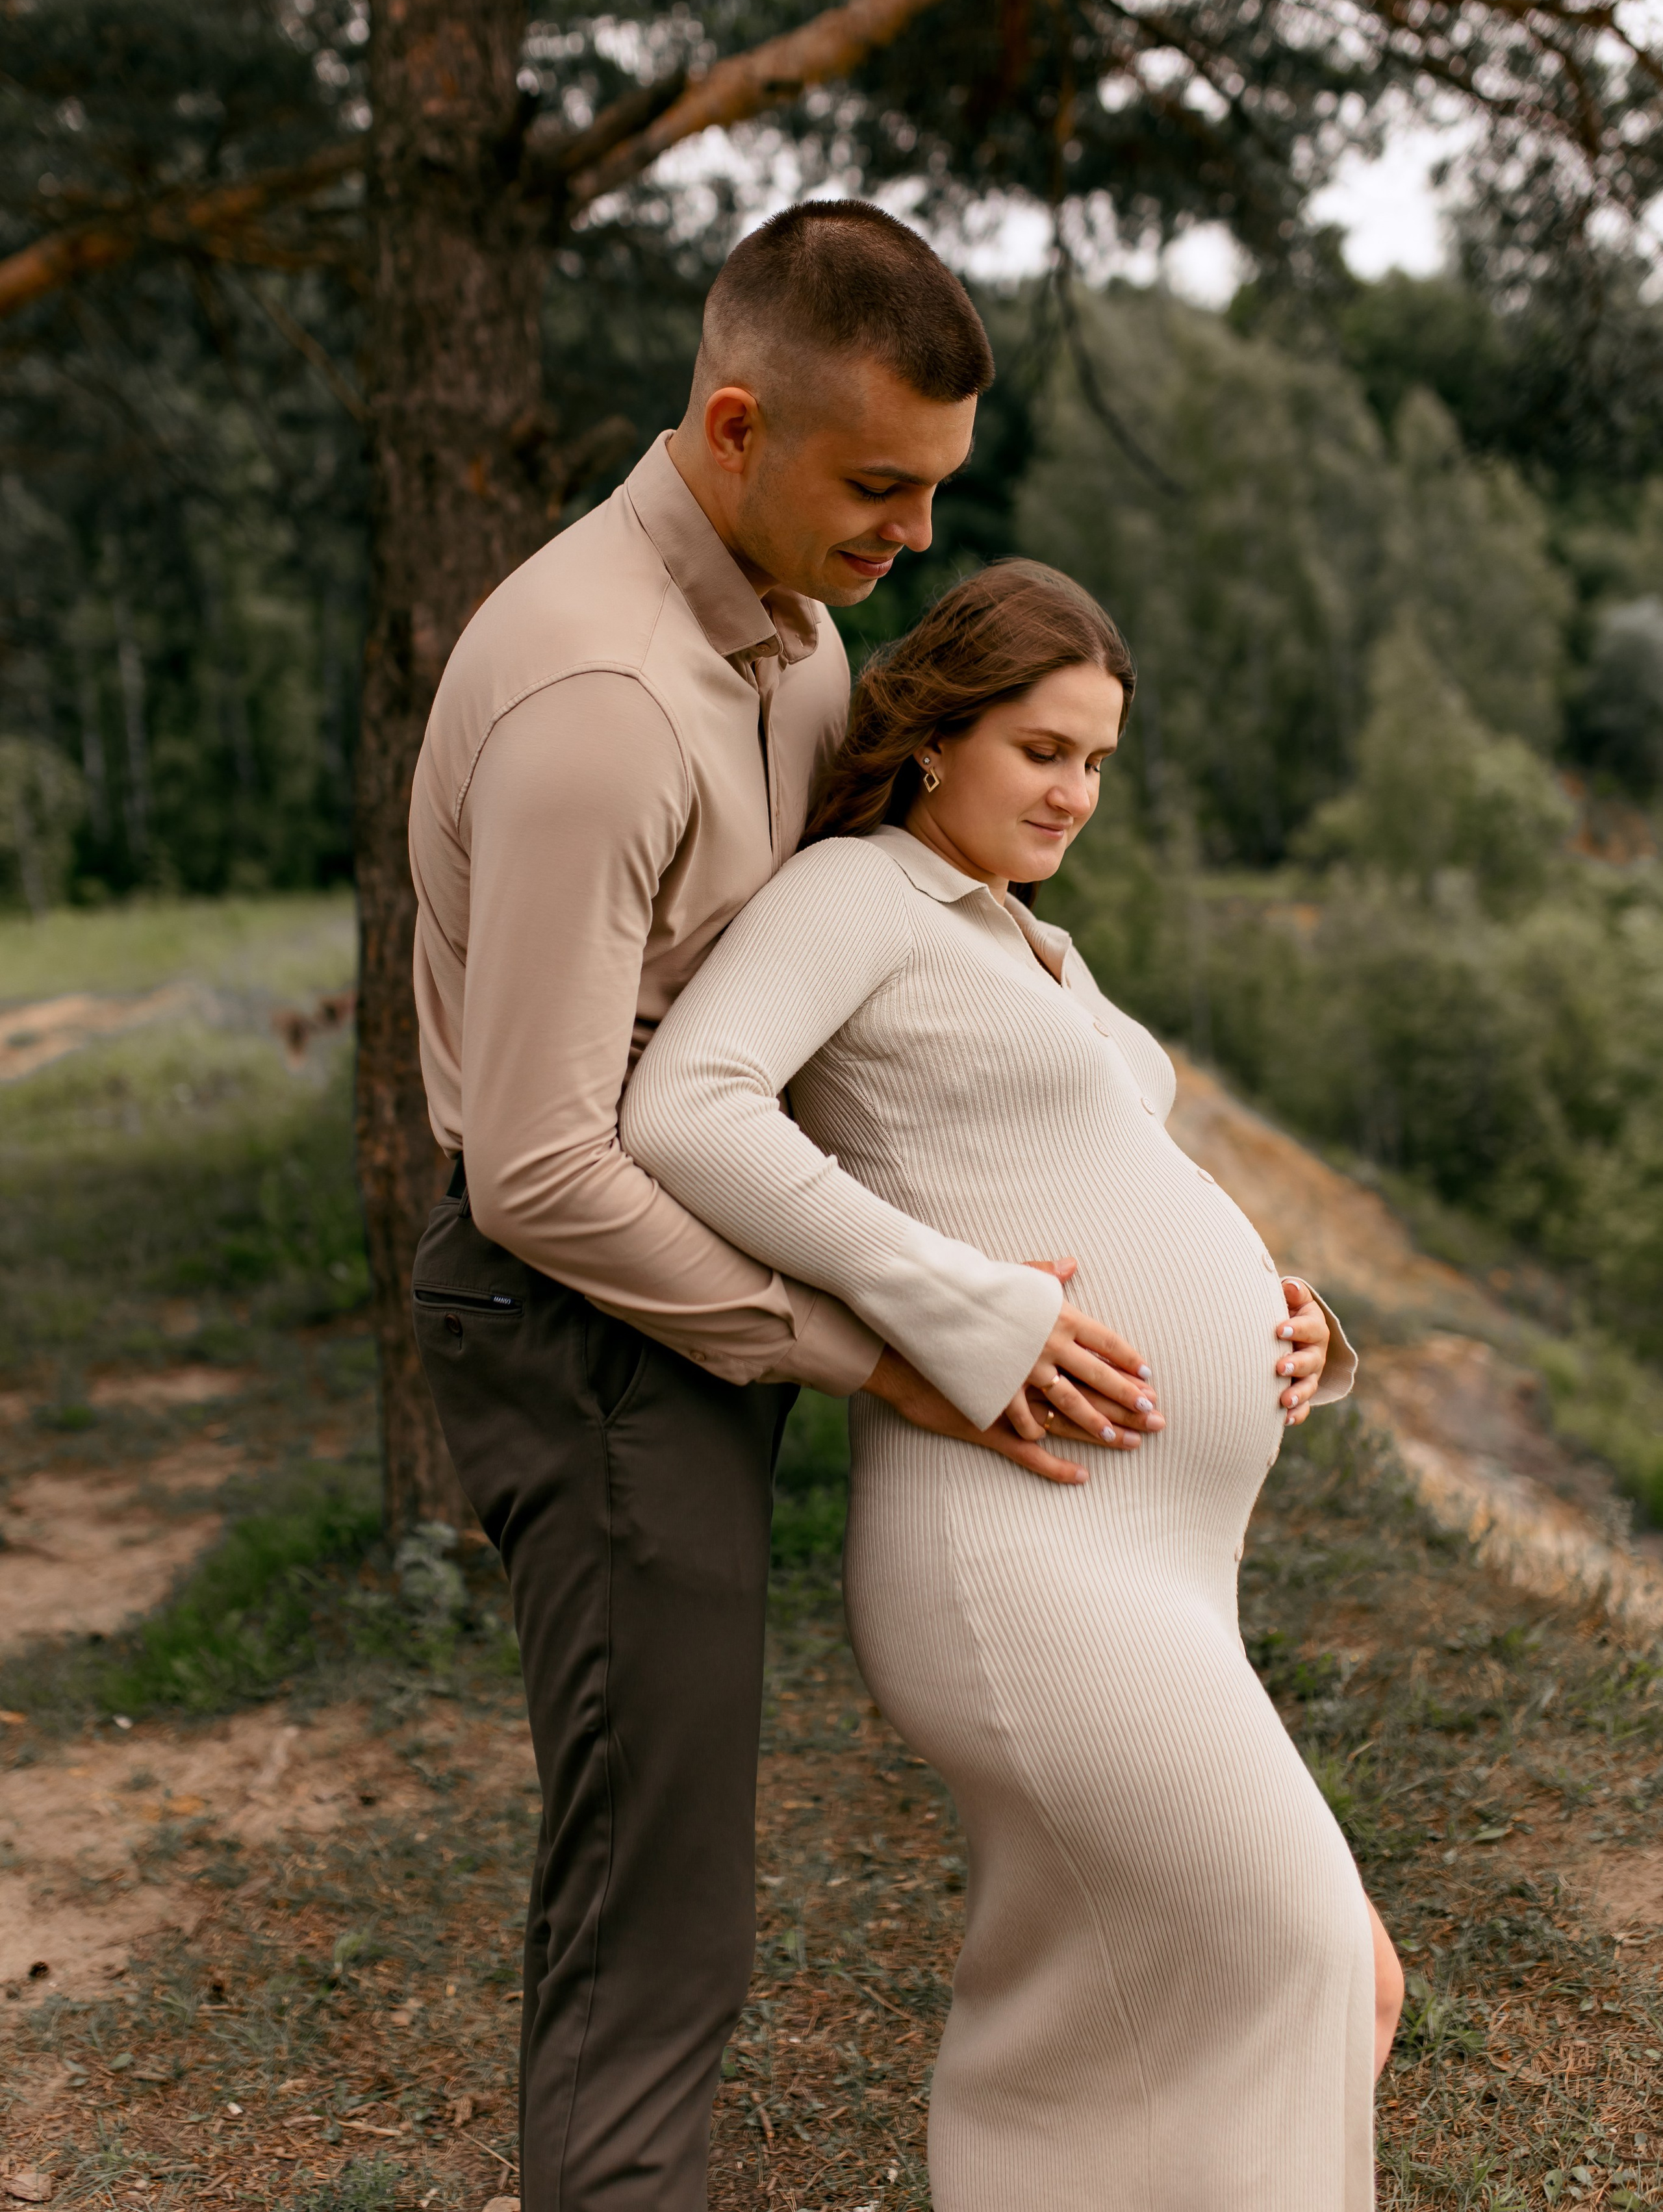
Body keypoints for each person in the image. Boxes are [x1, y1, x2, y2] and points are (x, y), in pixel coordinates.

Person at [405, 203, 1197, 2212]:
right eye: (880, 485)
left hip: (699, 1292)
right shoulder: (595, 697)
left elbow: (905, 940)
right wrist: (878, 1344)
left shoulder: (801, 633)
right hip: (582, 1326)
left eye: (937, 489)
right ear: (738, 426)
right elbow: (547, 1167)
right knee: (656, 1917)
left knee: (685, 1880)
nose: (915, 536)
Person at [623, 559, 1404, 2211]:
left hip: (1158, 1569)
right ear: (932, 737)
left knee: (1149, 2018)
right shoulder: (857, 897)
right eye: (1043, 750)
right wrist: (953, 1309)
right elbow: (686, 1107)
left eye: (1100, 762)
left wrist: (1282, 1322)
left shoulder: (1029, 945)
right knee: (1307, 1963)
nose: (1075, 792)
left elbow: (1110, 1168)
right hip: (1023, 1558)